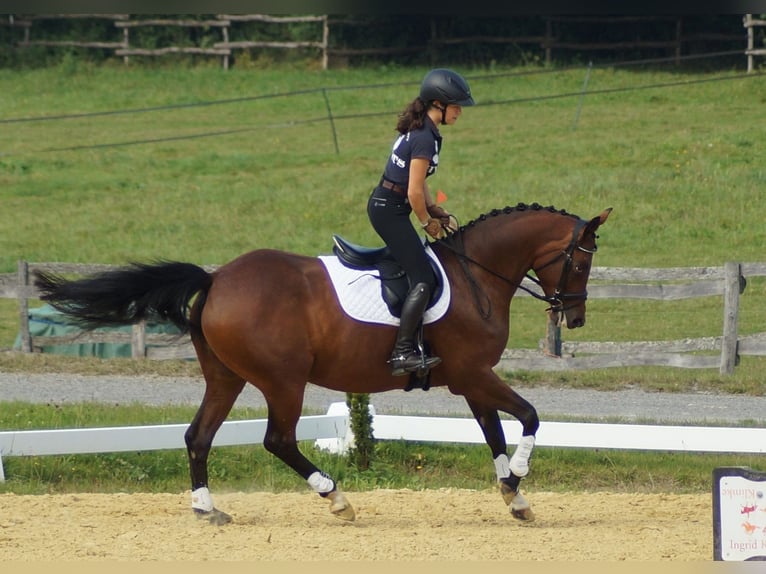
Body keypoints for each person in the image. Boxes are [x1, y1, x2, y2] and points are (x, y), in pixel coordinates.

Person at [367, 68, 475, 377]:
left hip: (389, 205)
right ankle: (402, 352)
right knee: (424, 278)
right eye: (456, 106)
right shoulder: (425, 138)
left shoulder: (422, 130)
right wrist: (427, 220)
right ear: (438, 105)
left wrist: (434, 208)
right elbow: (413, 190)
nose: (459, 112)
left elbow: (420, 183)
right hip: (390, 210)